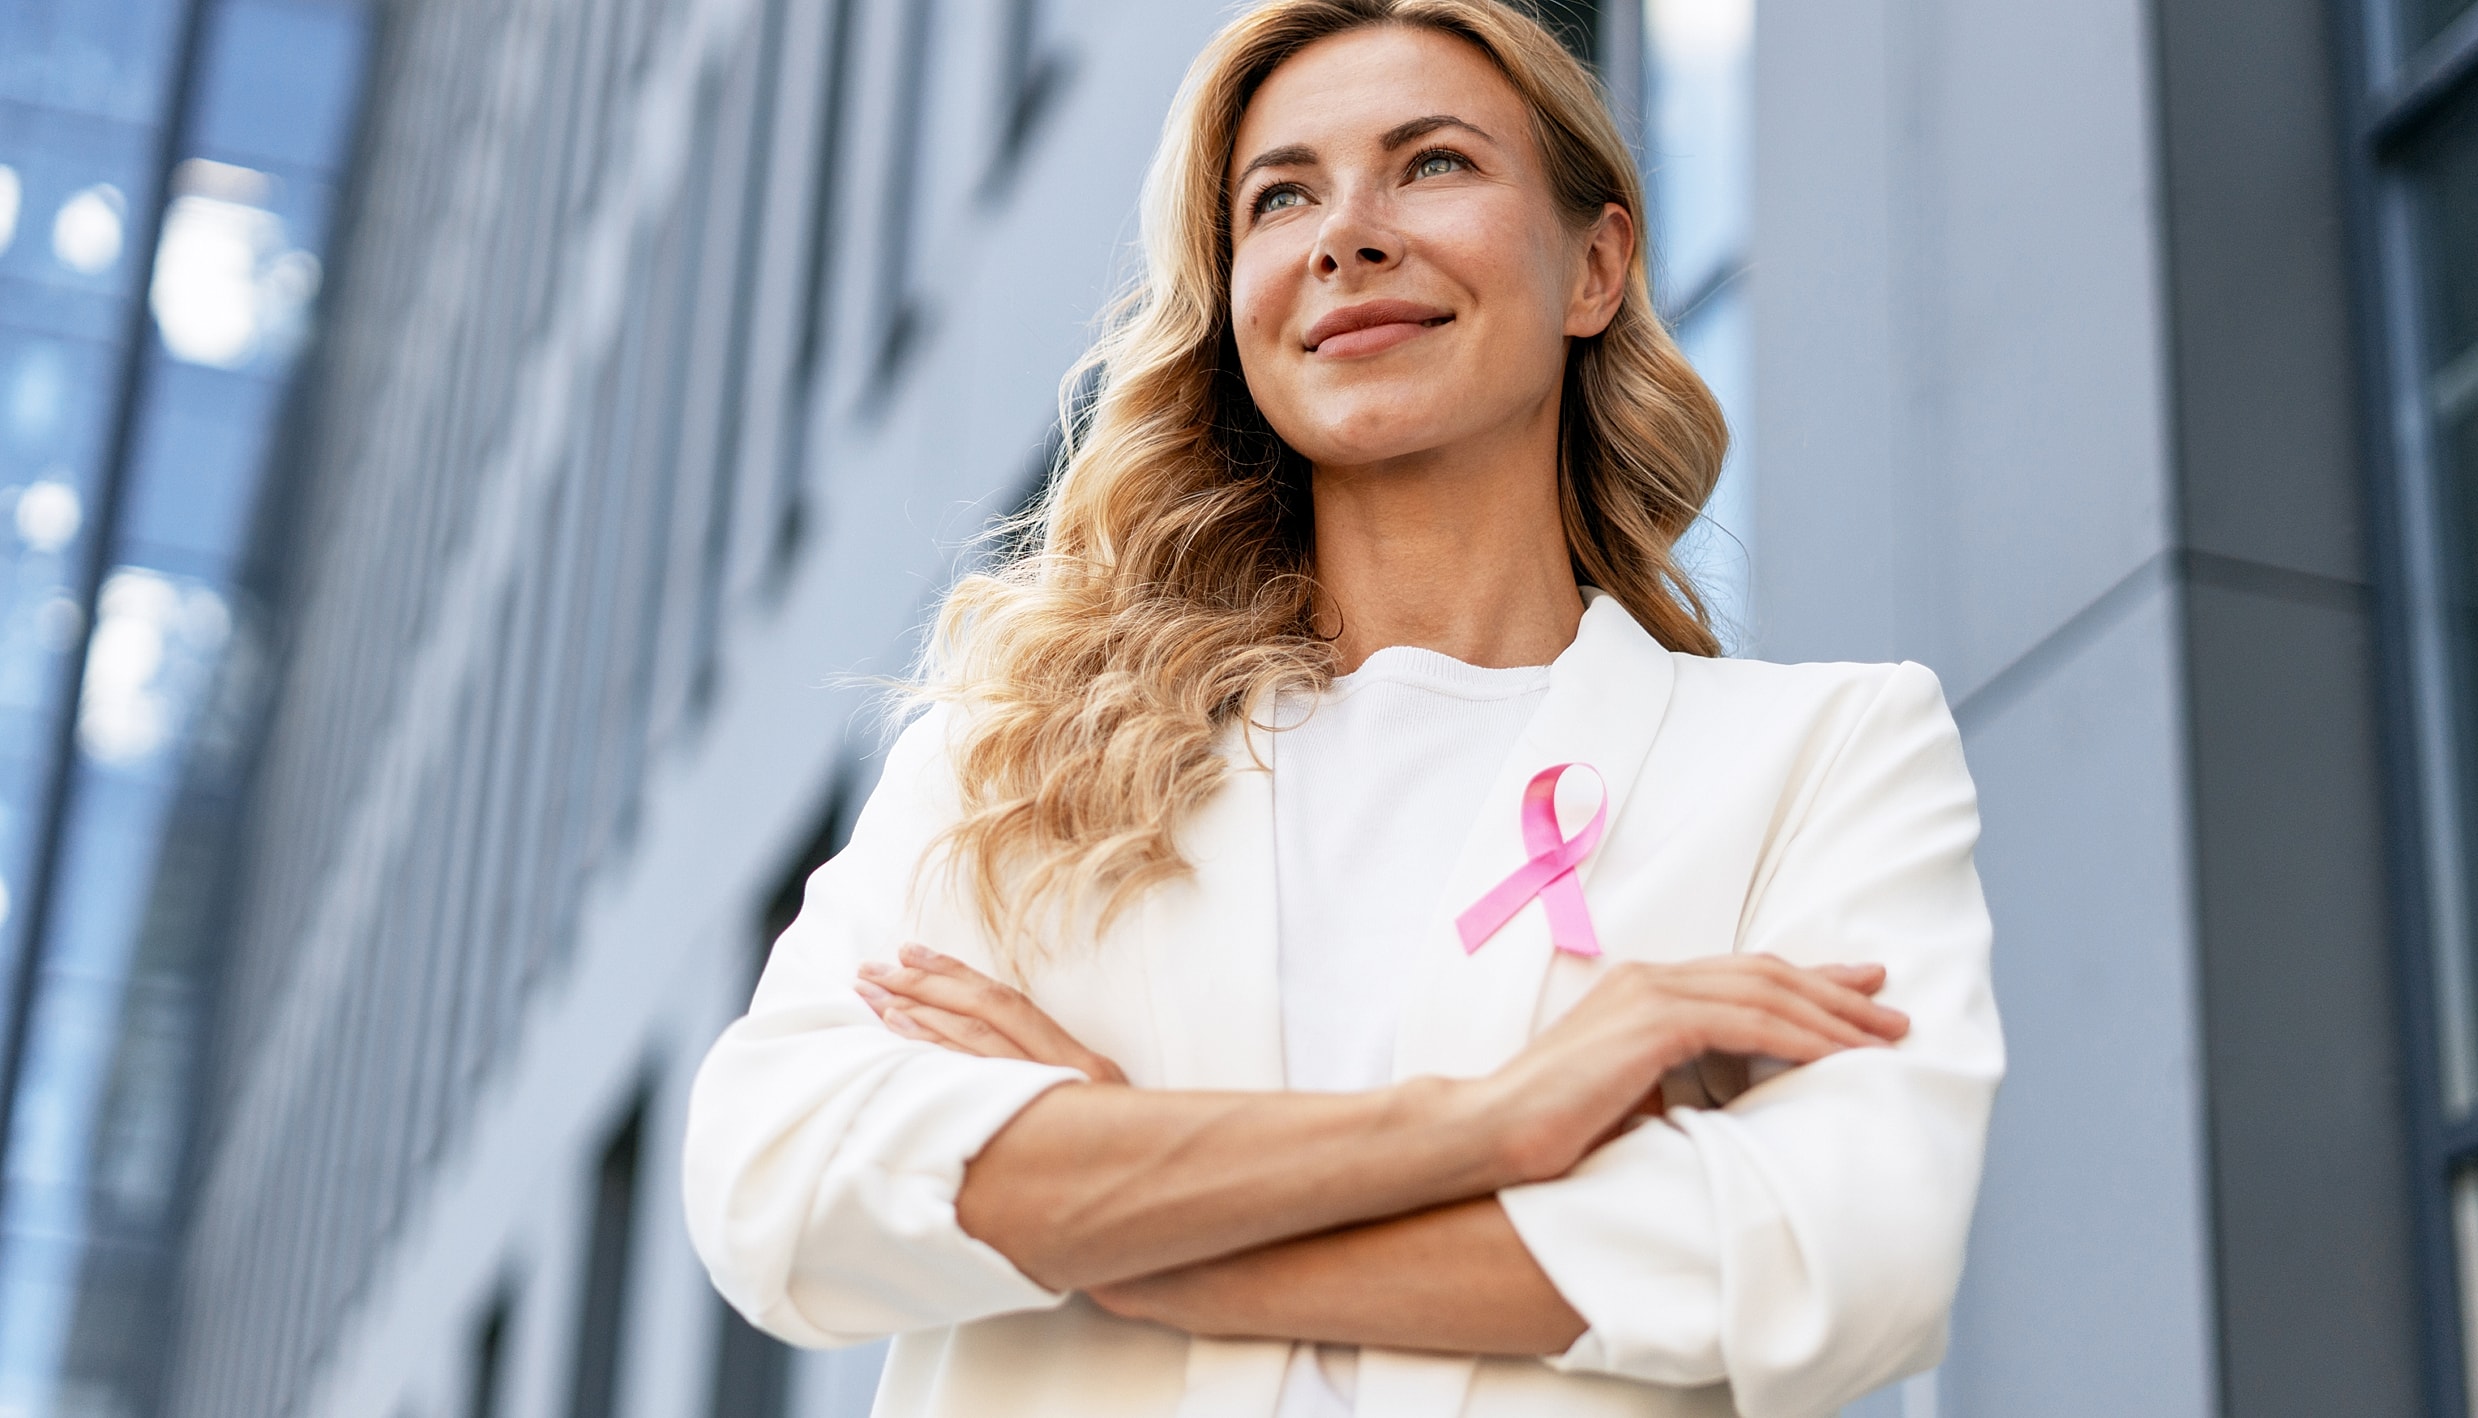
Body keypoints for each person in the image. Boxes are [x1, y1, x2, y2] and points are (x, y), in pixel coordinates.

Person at [682, 2, 2003, 1415]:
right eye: (1282, 195)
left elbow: (1844, 1252)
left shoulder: (1820, 759)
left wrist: (1122, 1202)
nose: (1347, 235)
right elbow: (777, 1181)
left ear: (1596, 265)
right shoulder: (1017, 762)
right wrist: (1473, 1130)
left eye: (1433, 165)